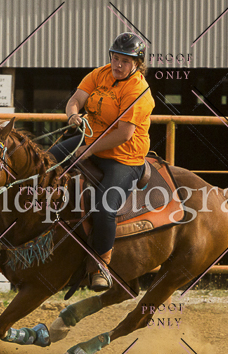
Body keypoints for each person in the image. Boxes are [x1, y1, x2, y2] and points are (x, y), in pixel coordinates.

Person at [49, 32, 155, 291]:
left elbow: (124, 134)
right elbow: (76, 100)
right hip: (90, 141)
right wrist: (73, 115)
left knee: (105, 205)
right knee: (46, 161)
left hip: (124, 156)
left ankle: (100, 266)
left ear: (137, 64)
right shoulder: (100, 73)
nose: (117, 64)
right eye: (115, 58)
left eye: (125, 61)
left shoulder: (139, 90)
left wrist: (89, 150)